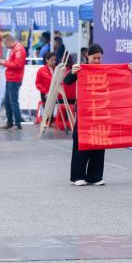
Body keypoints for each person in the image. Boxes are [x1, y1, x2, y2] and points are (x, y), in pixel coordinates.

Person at [65, 43, 106, 186]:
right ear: (87, 56)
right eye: (94, 58)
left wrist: (129, 69)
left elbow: (120, 78)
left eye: (99, 58)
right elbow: (67, 81)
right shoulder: (80, 68)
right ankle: (77, 176)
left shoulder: (105, 69)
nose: (97, 61)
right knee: (81, 142)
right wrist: (72, 72)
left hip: (101, 111)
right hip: (84, 112)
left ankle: (95, 176)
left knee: (99, 142)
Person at [1, 34, 26, 131]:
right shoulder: (14, 49)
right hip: (11, 78)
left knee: (13, 102)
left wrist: (5, 63)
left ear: (9, 41)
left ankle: (18, 124)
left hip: (14, 79)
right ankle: (10, 122)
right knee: (7, 102)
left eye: (5, 43)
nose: (5, 46)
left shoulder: (19, 49)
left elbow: (18, 65)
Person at [36, 51, 56, 124]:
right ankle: (48, 120)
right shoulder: (41, 70)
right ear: (47, 60)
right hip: (45, 92)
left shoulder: (57, 69)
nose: (54, 62)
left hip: (55, 91)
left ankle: (51, 119)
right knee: (47, 104)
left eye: (55, 60)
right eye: (52, 60)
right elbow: (38, 83)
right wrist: (45, 91)